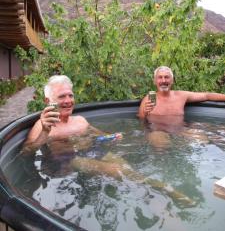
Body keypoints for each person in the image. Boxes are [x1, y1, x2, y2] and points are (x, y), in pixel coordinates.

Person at [23, 75, 195, 207]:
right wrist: (45, 131)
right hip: (69, 159)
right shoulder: (43, 125)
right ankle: (153, 200)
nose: (68, 101)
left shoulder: (80, 120)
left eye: (70, 95)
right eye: (62, 97)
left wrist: (113, 137)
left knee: (129, 170)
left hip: (94, 151)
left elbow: (100, 135)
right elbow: (27, 152)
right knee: (116, 171)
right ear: (48, 101)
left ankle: (164, 190)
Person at [138, 66, 225, 119]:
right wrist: (144, 113)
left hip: (180, 131)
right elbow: (141, 120)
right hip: (158, 131)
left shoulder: (181, 96)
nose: (163, 80)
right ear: (155, 81)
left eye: (166, 77)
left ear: (172, 81)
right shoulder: (148, 99)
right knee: (161, 142)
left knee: (200, 138)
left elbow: (207, 95)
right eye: (160, 77)